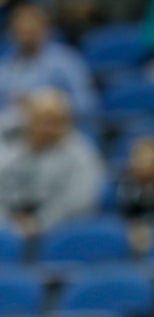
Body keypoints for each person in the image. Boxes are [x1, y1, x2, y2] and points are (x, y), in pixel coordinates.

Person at [0, 88, 105, 238]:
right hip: (7, 229)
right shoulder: (8, 150)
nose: (48, 128)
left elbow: (80, 200)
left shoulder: (81, 153)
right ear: (28, 120)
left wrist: (39, 222)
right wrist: (8, 225)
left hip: (60, 233)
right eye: (41, 120)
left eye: (56, 121)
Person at [0, 3, 99, 135]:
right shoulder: (5, 67)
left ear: (46, 29)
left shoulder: (66, 61)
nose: (26, 34)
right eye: (20, 29)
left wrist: (46, 105)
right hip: (12, 138)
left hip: (59, 135)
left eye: (32, 28)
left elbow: (86, 104)